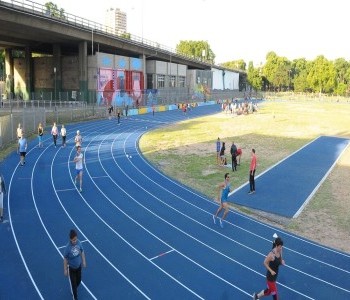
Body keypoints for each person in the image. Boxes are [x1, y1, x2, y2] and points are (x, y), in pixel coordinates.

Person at [63, 229, 86, 300]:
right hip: (72, 269)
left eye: (75, 239)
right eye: (73, 240)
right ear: (70, 239)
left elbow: (82, 251)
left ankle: (74, 289)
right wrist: (65, 269)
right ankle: (75, 297)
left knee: (78, 281)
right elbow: (65, 259)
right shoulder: (68, 248)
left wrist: (84, 261)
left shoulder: (79, 243)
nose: (75, 241)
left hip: (79, 267)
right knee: (74, 285)